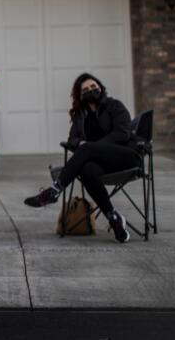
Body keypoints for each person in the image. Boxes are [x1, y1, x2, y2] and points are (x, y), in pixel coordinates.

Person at [24, 73, 138, 243]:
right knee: (86, 170)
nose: (91, 90)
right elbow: (72, 140)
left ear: (100, 87)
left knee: (88, 149)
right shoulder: (80, 115)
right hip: (101, 164)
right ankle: (113, 217)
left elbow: (123, 133)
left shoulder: (115, 106)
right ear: (80, 95)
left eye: (93, 86)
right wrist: (82, 145)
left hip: (126, 157)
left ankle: (54, 191)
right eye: (86, 89)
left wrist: (93, 147)